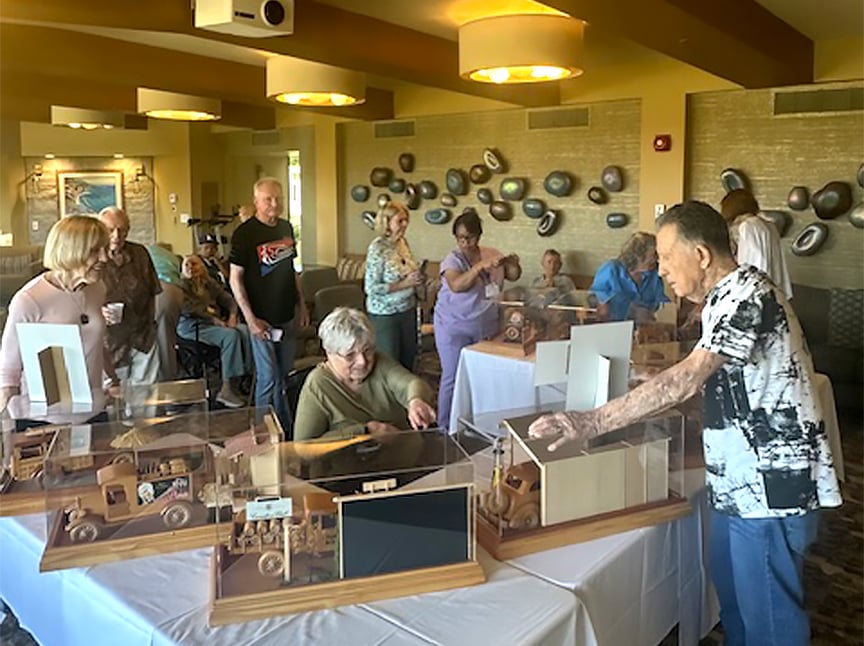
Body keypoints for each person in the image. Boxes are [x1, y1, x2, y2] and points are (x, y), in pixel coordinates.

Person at [528, 200, 841, 646]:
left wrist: (590, 421)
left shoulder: (749, 294)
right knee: (735, 601)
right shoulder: (720, 299)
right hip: (738, 482)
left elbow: (688, 378)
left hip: (771, 488)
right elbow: (720, 381)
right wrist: (649, 379)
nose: (662, 272)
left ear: (701, 255)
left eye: (667, 259)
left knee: (770, 620)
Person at [0, 216, 118, 424]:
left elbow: (97, 343)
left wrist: (112, 380)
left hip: (93, 409)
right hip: (43, 418)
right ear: (71, 251)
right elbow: (9, 369)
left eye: (105, 249)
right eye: (94, 251)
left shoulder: (97, 288)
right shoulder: (30, 299)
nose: (104, 258)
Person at [229, 177, 309, 431]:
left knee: (284, 374)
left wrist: (302, 304)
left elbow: (292, 270)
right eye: (268, 199)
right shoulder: (245, 234)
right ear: (256, 202)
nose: (274, 204)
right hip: (260, 319)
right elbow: (235, 279)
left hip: (285, 314)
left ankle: (283, 427)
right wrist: (250, 319)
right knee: (268, 378)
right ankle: (264, 432)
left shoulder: (286, 227)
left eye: (278, 198)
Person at [434, 208, 521, 429]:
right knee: (453, 377)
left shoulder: (491, 253)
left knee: (479, 375)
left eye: (469, 238)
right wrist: (478, 267)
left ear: (478, 236)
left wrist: (512, 263)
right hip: (453, 326)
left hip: (484, 325)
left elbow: (513, 275)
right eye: (460, 238)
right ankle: (444, 429)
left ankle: (474, 424)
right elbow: (457, 285)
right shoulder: (452, 260)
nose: (465, 242)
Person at [294, 307, 436, 441]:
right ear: (329, 353)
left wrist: (416, 400)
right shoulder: (317, 385)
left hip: (402, 459)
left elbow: (411, 383)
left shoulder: (380, 362)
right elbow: (303, 448)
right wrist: (365, 431)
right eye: (350, 355)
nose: (362, 361)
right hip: (349, 465)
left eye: (367, 350)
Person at [99, 206, 162, 387]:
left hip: (143, 336)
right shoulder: (92, 256)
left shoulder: (140, 253)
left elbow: (152, 291)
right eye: (110, 230)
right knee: (113, 398)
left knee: (146, 397)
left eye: (122, 230)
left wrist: (151, 326)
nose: (117, 236)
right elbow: (79, 299)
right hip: (110, 341)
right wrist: (98, 311)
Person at [178, 255, 251, 408]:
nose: (191, 267)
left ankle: (245, 378)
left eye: (195, 264)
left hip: (214, 322)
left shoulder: (209, 283)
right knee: (230, 336)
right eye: (187, 265)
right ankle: (226, 389)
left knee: (244, 330)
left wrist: (232, 315)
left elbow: (228, 299)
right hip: (193, 326)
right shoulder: (181, 286)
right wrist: (213, 319)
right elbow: (189, 309)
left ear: (202, 267)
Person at [364, 201, 424, 371]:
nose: (405, 224)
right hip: (386, 315)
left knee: (408, 361)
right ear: (387, 222)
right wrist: (404, 283)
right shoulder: (377, 249)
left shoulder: (402, 243)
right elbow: (371, 288)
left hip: (407, 309)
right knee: (390, 366)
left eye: (406, 220)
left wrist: (415, 277)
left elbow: (406, 266)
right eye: (400, 221)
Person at [720, 188, 793, 300]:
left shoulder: (748, 226)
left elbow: (750, 264)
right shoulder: (770, 226)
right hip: (777, 291)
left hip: (759, 294)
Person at [590, 232, 668, 322]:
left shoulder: (654, 275)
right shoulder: (611, 269)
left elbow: (660, 305)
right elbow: (594, 298)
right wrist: (602, 305)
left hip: (642, 329)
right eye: (654, 254)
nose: (657, 259)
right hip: (612, 326)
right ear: (637, 255)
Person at [147, 243, 185, 381]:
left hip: (159, 291)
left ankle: (164, 387)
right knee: (167, 341)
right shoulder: (173, 258)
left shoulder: (146, 251)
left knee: (158, 342)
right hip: (175, 292)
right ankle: (168, 381)